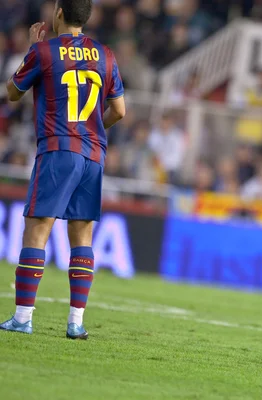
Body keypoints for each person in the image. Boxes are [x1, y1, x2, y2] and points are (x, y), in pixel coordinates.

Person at [0, 0, 126, 339]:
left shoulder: (44, 51)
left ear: (58, 13)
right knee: (82, 236)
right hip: (93, 154)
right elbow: (120, 110)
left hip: (58, 149)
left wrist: (30, 48)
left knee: (37, 231)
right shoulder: (106, 55)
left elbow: (12, 93)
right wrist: (95, 128)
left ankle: (23, 317)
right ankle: (76, 323)